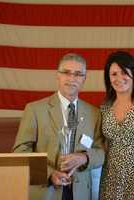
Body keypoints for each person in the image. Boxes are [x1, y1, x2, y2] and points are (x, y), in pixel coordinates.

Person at [13, 53, 105, 200]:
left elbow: (101, 152)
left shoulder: (94, 114)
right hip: (46, 191)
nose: (72, 79)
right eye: (66, 72)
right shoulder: (35, 110)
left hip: (80, 193)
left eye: (78, 74)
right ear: (58, 75)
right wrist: (50, 174)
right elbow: (20, 152)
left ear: (84, 79)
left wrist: (85, 158)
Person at [99, 51, 134, 200]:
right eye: (114, 74)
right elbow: (102, 144)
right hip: (111, 177)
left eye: (124, 72)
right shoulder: (104, 108)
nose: (119, 78)